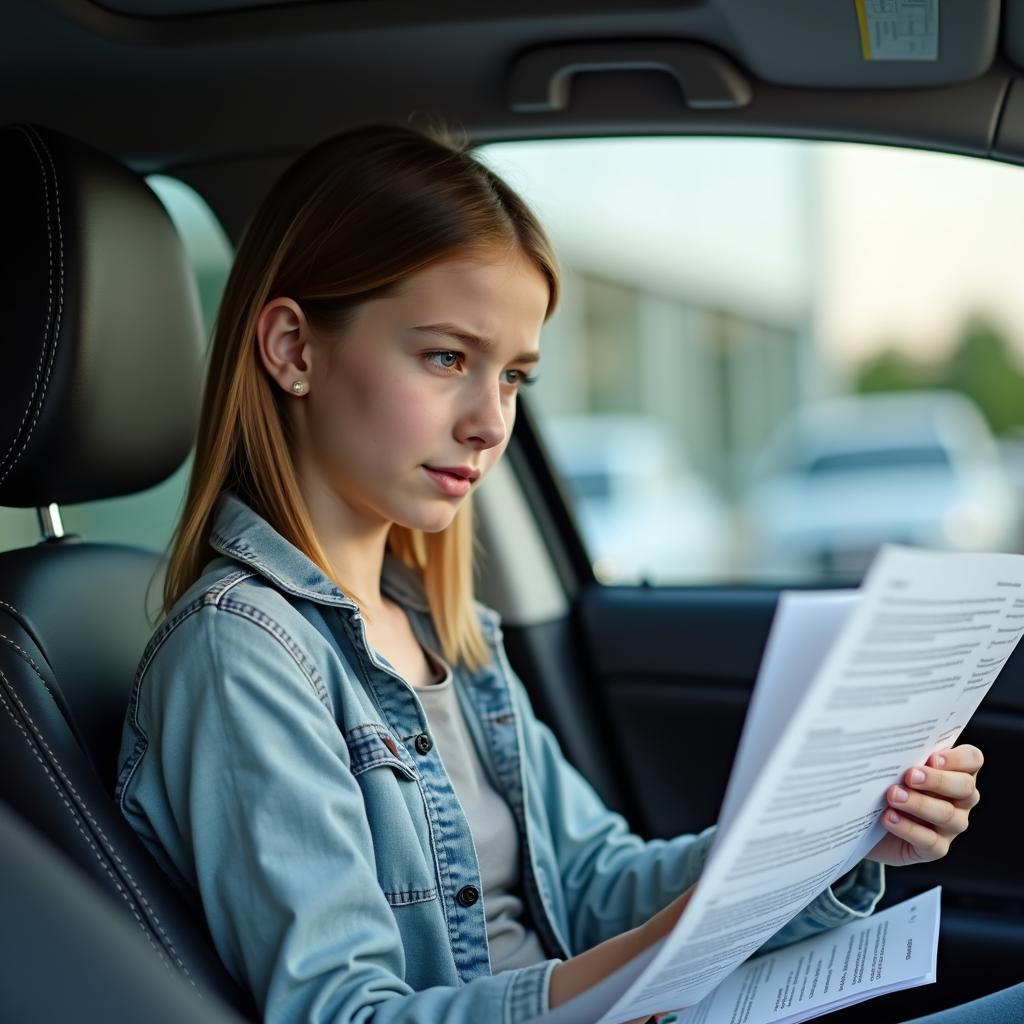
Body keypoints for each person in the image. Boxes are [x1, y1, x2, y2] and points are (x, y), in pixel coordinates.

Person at [115, 122, 1002, 1024]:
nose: (490, 423)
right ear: (294, 350)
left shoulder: (447, 637)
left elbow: (591, 882)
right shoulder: (242, 657)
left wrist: (841, 840)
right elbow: (344, 1014)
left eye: (514, 379)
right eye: (448, 358)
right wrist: (652, 959)